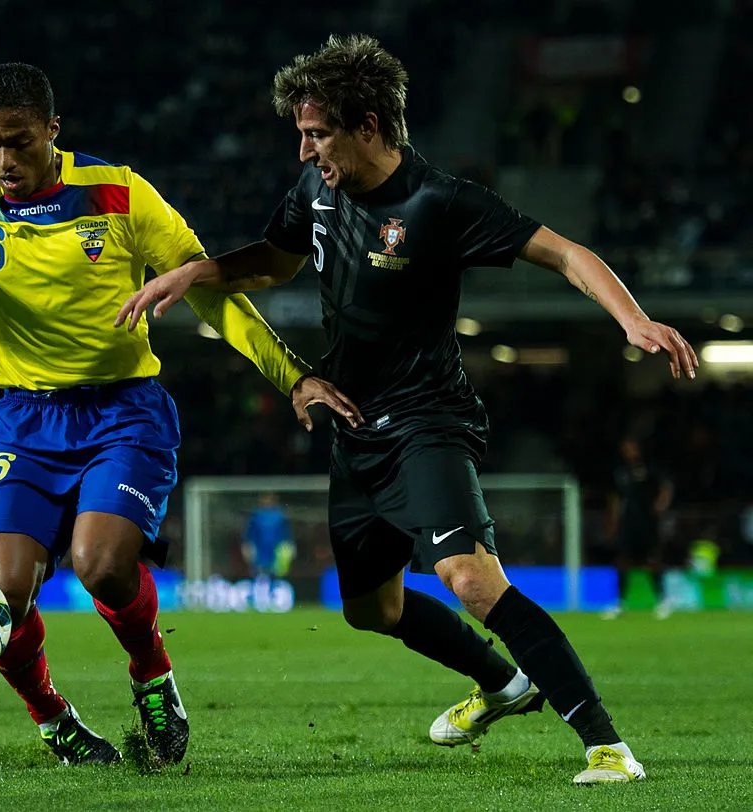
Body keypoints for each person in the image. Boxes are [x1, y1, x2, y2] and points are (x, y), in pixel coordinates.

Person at [116, 34, 700, 784]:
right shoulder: (317, 193)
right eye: (300, 133)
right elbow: (276, 258)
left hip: (428, 421)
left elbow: (562, 252)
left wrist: (632, 319)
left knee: (468, 577)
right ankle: (503, 684)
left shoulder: (440, 202)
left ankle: (607, 747)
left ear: (368, 126)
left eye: (316, 133)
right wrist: (199, 271)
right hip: (354, 430)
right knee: (371, 608)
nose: (303, 151)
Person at [0, 62, 361, 768]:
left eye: (20, 142)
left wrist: (291, 375)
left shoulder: (117, 192)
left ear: (53, 130)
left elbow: (210, 290)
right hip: (24, 420)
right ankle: (55, 720)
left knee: (101, 565)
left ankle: (154, 682)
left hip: (123, 411)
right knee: (1, 593)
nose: (5, 161)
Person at [603, 436, 674, 619]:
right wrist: (613, 521)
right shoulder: (620, 472)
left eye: (632, 447)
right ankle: (620, 603)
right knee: (623, 561)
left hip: (648, 522)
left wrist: (661, 505)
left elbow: (666, 487)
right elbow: (615, 498)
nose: (629, 451)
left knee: (653, 561)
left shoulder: (650, 468)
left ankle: (662, 600)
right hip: (628, 523)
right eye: (626, 448)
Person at [242, 492, 296, 578]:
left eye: (269, 498)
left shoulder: (280, 516)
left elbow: (287, 537)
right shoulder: (255, 517)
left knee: (276, 577)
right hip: (259, 558)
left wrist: (289, 550)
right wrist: (247, 549)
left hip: (277, 557)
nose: (266, 501)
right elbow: (249, 537)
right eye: (264, 498)